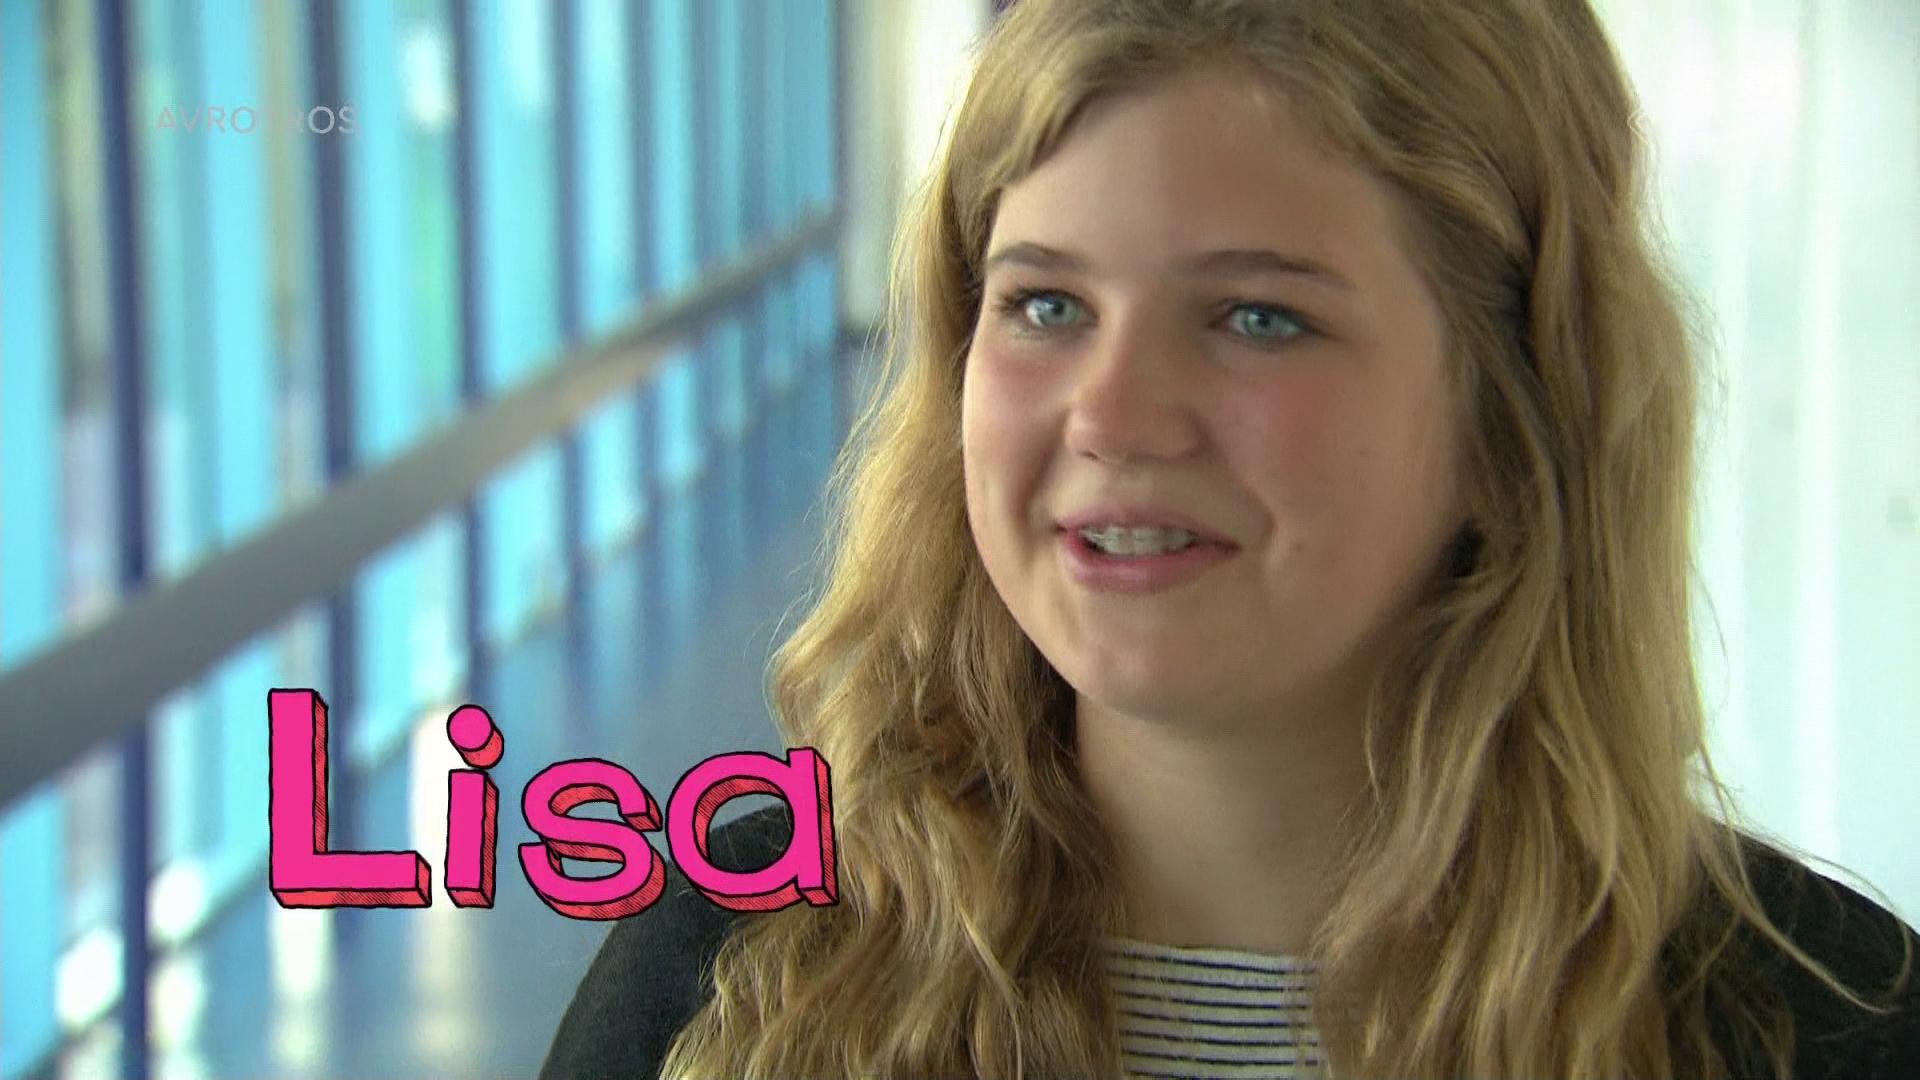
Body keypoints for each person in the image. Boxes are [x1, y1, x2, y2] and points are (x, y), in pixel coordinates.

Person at [541, 0, 1919, 1076]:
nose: (1112, 417)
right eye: (1045, 306)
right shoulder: (728, 969)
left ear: (1513, 420)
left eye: (1259, 318)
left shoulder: (1820, 1028)